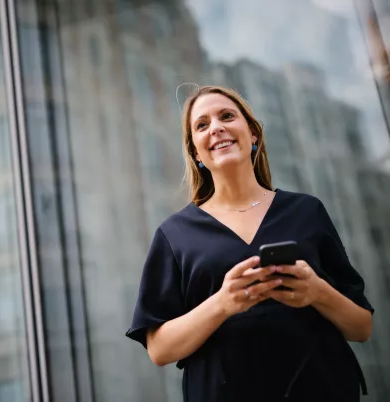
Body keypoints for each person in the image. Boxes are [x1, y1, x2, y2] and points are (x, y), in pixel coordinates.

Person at [125, 86, 374, 402]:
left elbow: (361, 327)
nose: (216, 127)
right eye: (202, 125)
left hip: (320, 388)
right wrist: (223, 303)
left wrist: (317, 292)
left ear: (253, 134)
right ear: (196, 153)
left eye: (227, 116)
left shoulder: (307, 211)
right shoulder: (175, 234)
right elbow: (160, 350)